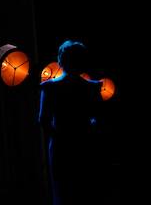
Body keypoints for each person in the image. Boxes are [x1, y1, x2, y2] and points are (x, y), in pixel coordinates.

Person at [38, 40, 104, 205]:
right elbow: (99, 118)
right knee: (85, 192)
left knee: (62, 193)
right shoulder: (92, 87)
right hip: (85, 145)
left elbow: (43, 120)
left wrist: (61, 137)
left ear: (60, 61)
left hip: (61, 147)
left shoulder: (49, 87)